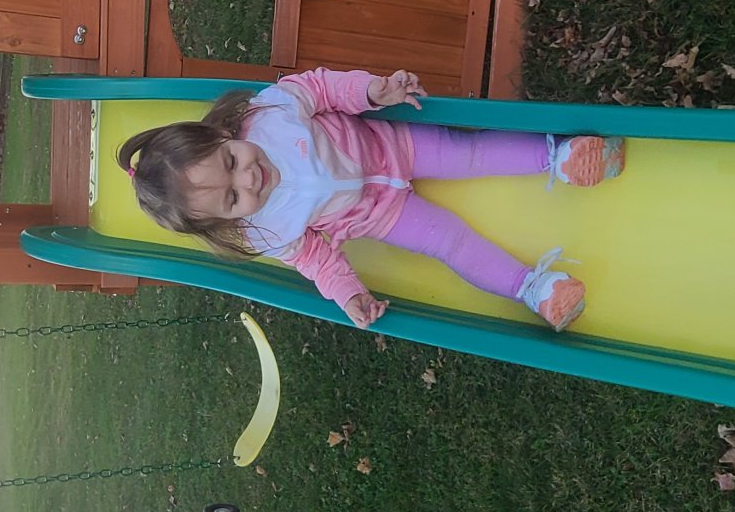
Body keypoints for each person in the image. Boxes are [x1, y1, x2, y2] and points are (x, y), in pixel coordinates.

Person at [117, 68, 623, 331]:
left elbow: (322, 89)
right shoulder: (266, 231)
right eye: (232, 198)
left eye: (231, 161)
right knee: (449, 244)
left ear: (220, 134)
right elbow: (317, 260)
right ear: (223, 222)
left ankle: (558, 157)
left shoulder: (268, 113)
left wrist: (372, 92)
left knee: (467, 152)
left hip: (392, 145)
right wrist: (348, 295)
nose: (249, 179)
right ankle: (533, 289)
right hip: (383, 216)